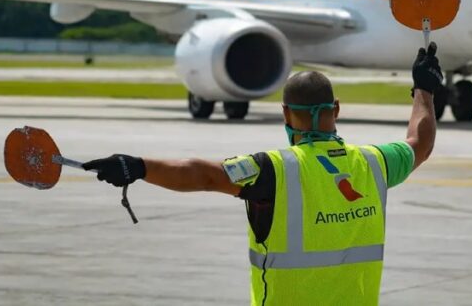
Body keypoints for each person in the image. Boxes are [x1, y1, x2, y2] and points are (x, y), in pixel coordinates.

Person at [84, 43, 445, 305]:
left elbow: (203, 175)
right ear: (336, 109)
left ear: (286, 114)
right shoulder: (375, 163)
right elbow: (420, 144)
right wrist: (424, 90)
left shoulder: (269, 169)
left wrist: (139, 166)